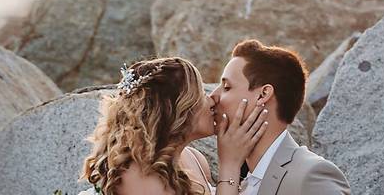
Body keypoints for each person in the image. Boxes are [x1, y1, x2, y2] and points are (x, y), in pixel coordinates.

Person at [80, 56, 267, 195]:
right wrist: (230, 163)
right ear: (174, 110)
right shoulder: (137, 175)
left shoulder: (193, 158)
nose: (211, 101)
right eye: (199, 93)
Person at [210, 40, 352, 194]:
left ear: (263, 94)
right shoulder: (242, 185)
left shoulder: (312, 175)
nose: (213, 96)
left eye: (226, 87)